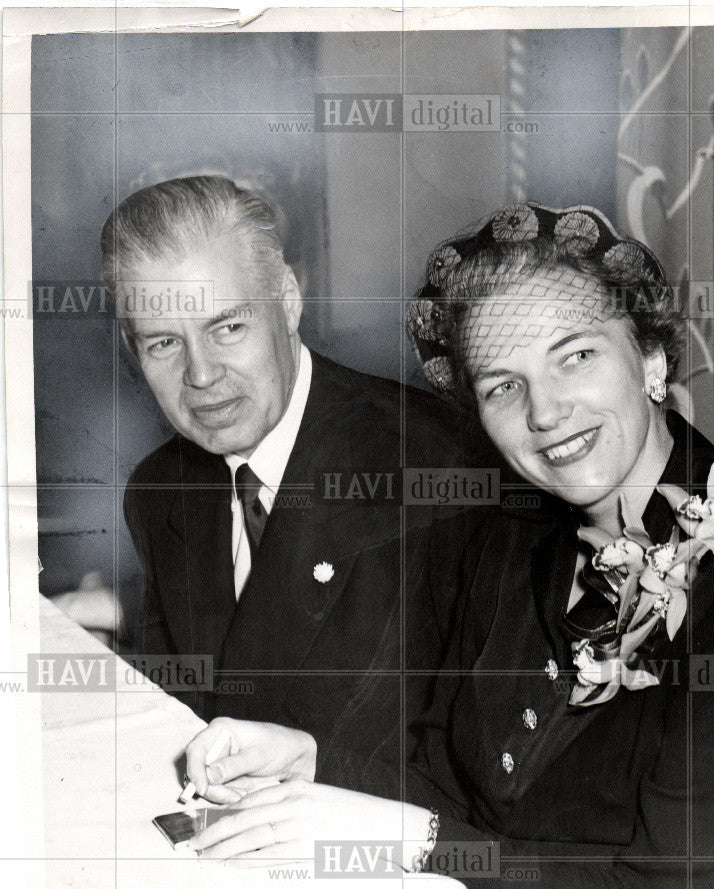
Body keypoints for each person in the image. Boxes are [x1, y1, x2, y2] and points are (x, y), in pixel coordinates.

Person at [181, 203, 714, 889]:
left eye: (576, 357)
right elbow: (450, 778)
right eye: (504, 386)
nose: (545, 413)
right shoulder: (512, 526)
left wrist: (413, 840)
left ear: (651, 360)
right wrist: (312, 759)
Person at [98, 174, 487, 781]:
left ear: (287, 299)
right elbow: (187, 711)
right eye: (163, 343)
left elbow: (475, 768)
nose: (201, 376)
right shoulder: (159, 492)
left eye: (228, 327)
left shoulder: (438, 467)